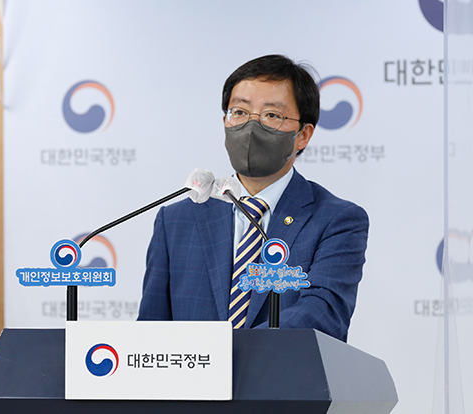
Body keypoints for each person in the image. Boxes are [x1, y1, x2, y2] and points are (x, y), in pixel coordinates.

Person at [137, 55, 369, 342]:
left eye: (272, 115)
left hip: (283, 371)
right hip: (194, 372)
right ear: (225, 122)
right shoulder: (176, 220)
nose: (250, 127)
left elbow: (323, 312)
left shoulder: (336, 220)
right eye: (239, 112)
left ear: (303, 135)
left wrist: (227, 353)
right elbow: (151, 328)